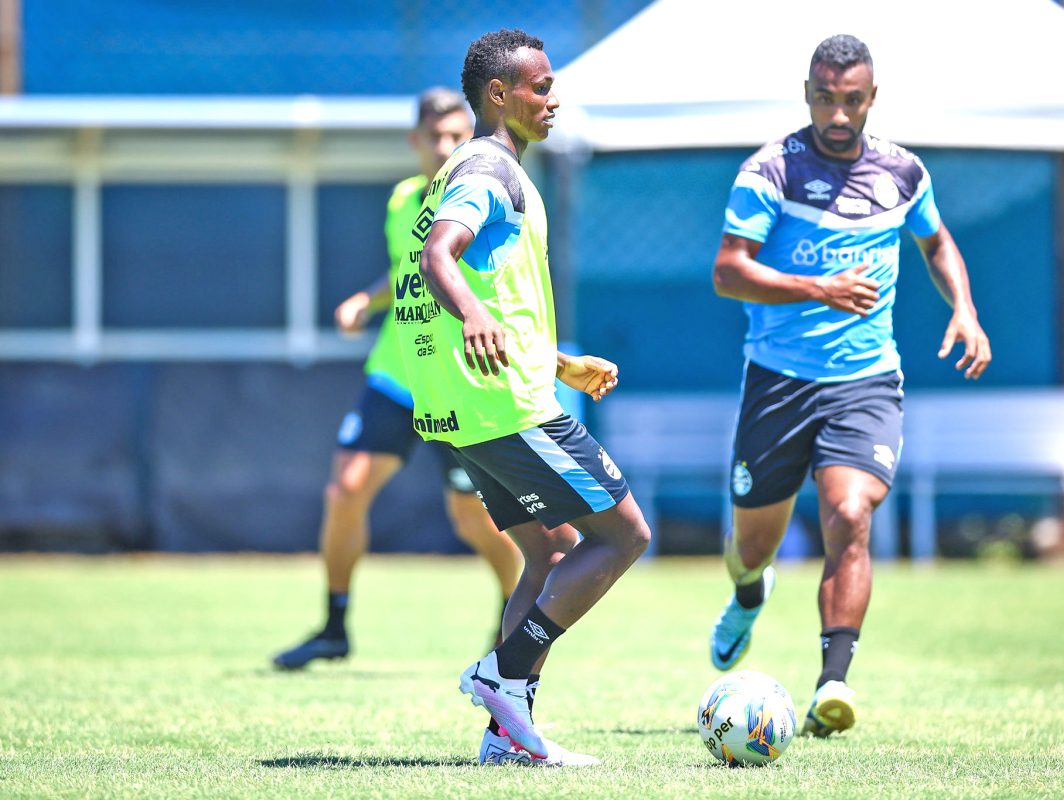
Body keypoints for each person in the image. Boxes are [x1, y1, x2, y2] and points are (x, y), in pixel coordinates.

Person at [707, 34, 991, 738]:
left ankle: (834, 681)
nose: (839, 114)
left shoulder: (902, 172)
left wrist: (964, 307)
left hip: (865, 381)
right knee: (753, 544)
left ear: (872, 98)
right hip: (778, 381)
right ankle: (748, 593)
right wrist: (816, 288)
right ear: (808, 94)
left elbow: (936, 241)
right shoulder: (769, 171)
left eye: (852, 100)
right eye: (826, 99)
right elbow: (728, 270)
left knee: (851, 515)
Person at [393, 29, 652, 765]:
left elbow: (488, 285)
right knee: (624, 535)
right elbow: (442, 254)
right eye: (539, 86)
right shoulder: (486, 169)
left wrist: (559, 360)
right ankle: (502, 675)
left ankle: (506, 738)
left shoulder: (465, 170)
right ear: (498, 95)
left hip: (472, 410)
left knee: (550, 553)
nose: (553, 98)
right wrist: (471, 315)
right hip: (506, 407)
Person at [272, 87, 524, 671]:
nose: (444, 147)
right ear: (414, 142)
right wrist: (368, 298)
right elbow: (410, 269)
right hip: (395, 372)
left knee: (473, 518)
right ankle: (334, 626)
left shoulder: (484, 197)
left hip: (457, 381)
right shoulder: (402, 200)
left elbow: (498, 289)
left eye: (456, 136)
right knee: (345, 490)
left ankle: (512, 613)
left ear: (473, 139)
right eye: (433, 137)